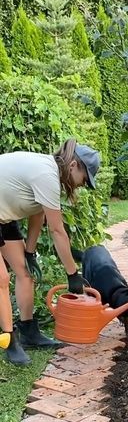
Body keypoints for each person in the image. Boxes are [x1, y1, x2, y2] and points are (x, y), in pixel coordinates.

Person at [0, 138, 100, 366]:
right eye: (85, 179)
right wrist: (73, 274)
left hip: (4, 216)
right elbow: (57, 231)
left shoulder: (48, 173)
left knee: (25, 274)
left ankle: (28, 331)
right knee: (2, 279)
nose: (83, 184)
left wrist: (29, 252)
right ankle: (9, 340)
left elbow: (38, 214)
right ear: (73, 165)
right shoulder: (47, 175)